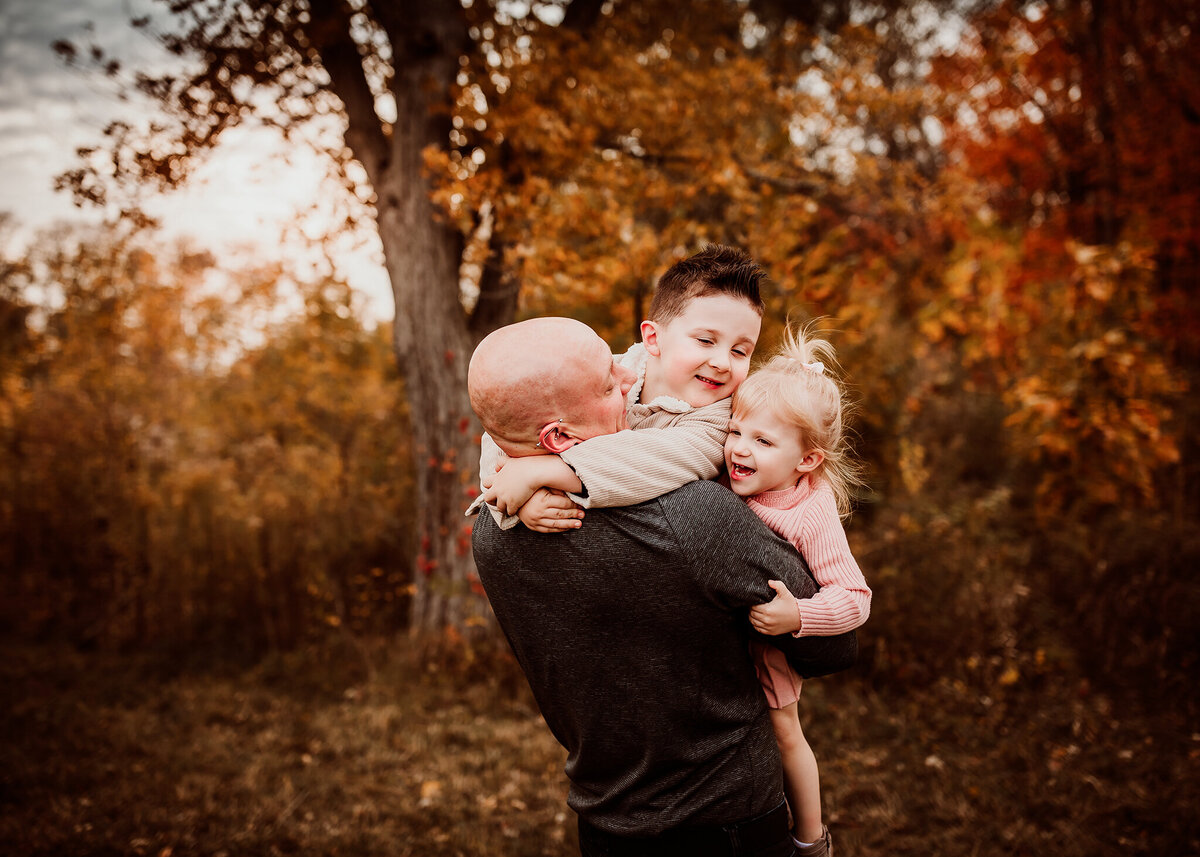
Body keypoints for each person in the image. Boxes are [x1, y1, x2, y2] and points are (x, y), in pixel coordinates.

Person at [468, 315, 857, 856]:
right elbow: (834, 646)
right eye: (609, 384)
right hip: (728, 821)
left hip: (605, 820)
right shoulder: (695, 516)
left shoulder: (491, 531)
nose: (631, 381)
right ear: (557, 435)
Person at [472, 244, 764, 531]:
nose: (723, 363)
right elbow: (509, 419)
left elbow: (659, 458)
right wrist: (518, 500)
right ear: (652, 338)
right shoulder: (601, 372)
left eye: (740, 351)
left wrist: (544, 472)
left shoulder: (727, 418)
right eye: (706, 341)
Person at [725, 326, 872, 856]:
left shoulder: (811, 511)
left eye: (762, 441)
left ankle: (811, 838)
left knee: (784, 733)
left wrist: (799, 616)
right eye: (736, 431)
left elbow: (855, 597)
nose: (740, 449)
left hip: (771, 646)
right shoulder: (729, 476)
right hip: (719, 642)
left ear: (806, 460)